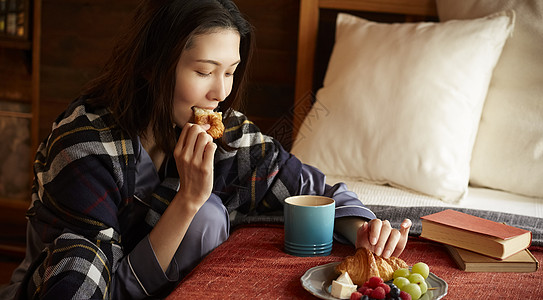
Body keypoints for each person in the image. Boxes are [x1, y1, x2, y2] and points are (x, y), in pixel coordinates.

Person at [0, 0, 411, 299]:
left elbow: (313, 190)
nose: (219, 92)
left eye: (229, 72)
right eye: (203, 71)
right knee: (206, 211)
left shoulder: (222, 131)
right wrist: (188, 200)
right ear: (151, 65)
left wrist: (363, 231)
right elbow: (83, 288)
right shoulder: (84, 148)